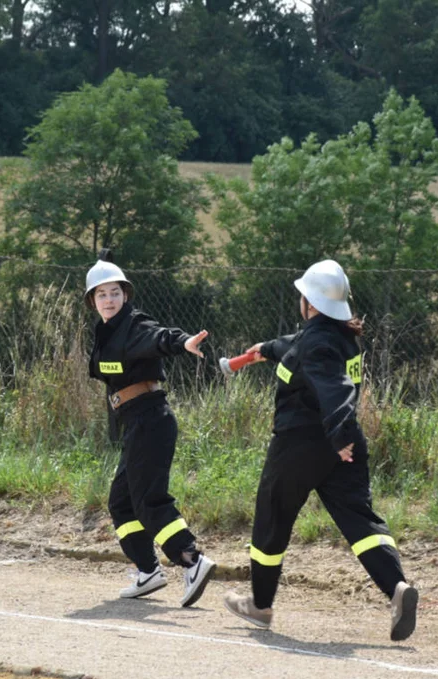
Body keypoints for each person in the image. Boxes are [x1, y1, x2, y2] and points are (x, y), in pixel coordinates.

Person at [222, 259, 418, 641]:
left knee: (272, 519)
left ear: (309, 303)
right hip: (340, 446)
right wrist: (265, 349)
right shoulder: (337, 336)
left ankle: (260, 606)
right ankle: (397, 589)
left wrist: (339, 434)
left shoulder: (318, 344)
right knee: (360, 520)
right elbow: (297, 347)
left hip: (302, 445)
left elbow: (336, 388)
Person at [85, 259, 217, 607]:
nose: (109, 299)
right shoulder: (107, 333)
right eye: (102, 294)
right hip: (135, 423)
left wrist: (183, 342)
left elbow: (160, 337)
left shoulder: (133, 324)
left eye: (115, 292)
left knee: (148, 500)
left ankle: (192, 560)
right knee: (121, 502)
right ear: (92, 300)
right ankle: (147, 571)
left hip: (151, 419)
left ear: (125, 295)